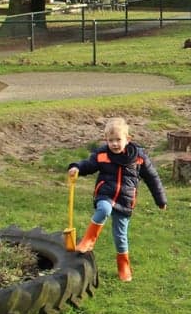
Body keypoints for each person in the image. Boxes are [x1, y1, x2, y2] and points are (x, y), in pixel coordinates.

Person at [68, 117, 167, 282]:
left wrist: (160, 200)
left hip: (125, 200)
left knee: (120, 236)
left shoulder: (139, 158)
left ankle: (123, 265)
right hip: (105, 194)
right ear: (106, 140)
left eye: (118, 140)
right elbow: (88, 164)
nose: (114, 144)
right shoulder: (102, 154)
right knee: (104, 209)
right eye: (110, 140)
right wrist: (76, 167)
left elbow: (153, 178)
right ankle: (88, 240)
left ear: (128, 139)